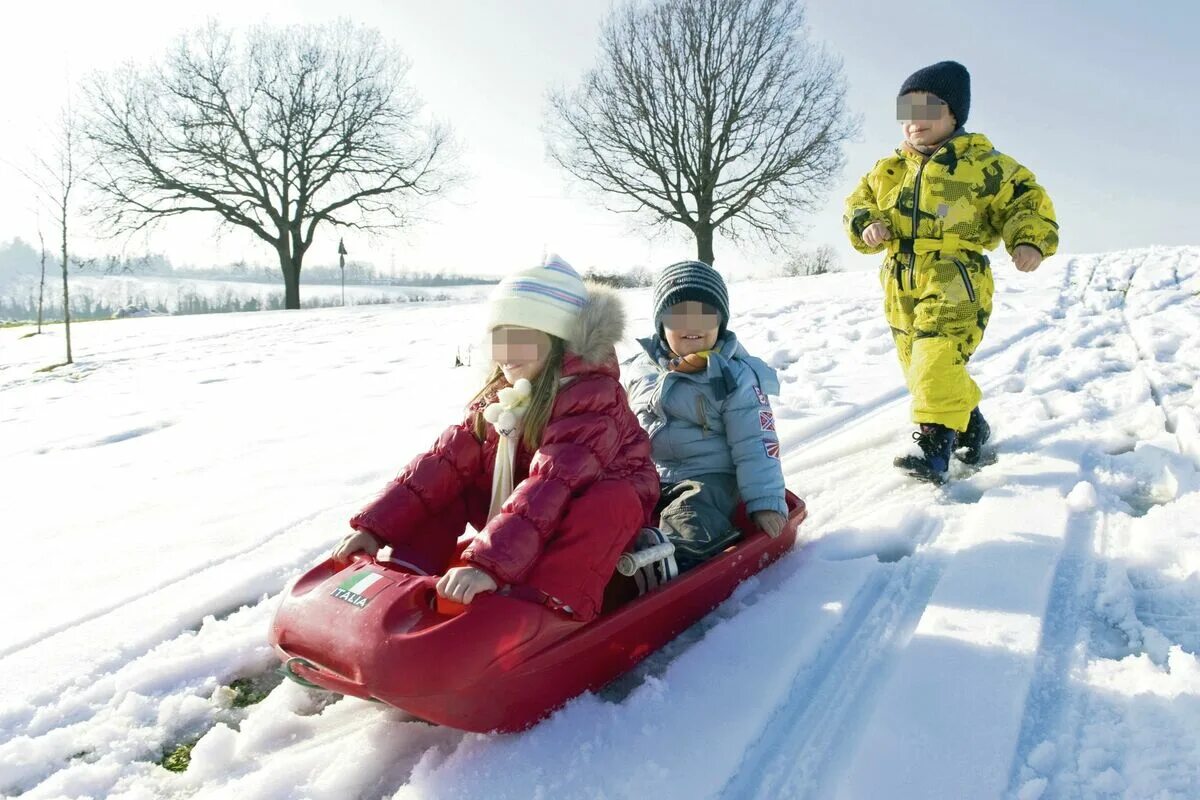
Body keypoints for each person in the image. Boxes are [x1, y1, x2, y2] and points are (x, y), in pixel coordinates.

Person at [331, 255, 660, 622]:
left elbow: (551, 482)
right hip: (534, 509)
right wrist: (374, 527)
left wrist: (489, 565)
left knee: (610, 502)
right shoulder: (503, 397)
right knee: (453, 479)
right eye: (500, 341)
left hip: (592, 514)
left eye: (523, 341)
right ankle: (406, 572)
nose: (507, 354)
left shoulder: (591, 397)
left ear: (559, 343)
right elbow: (441, 464)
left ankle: (550, 605)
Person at [843, 60, 1059, 482]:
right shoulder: (888, 170)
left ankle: (934, 450)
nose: (915, 121)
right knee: (920, 367)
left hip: (956, 275)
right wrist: (867, 222)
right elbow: (856, 201)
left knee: (934, 359)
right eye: (907, 111)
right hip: (901, 280)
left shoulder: (983, 164)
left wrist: (1028, 238)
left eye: (927, 108)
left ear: (954, 113)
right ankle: (970, 422)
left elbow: (1027, 200)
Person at [624, 260, 788, 572]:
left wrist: (765, 501)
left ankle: (679, 563)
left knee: (689, 511)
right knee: (613, 507)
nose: (693, 326)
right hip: (648, 476)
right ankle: (614, 563)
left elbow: (756, 442)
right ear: (661, 324)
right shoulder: (638, 371)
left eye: (705, 315)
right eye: (678, 315)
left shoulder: (734, 377)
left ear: (720, 322)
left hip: (710, 477)